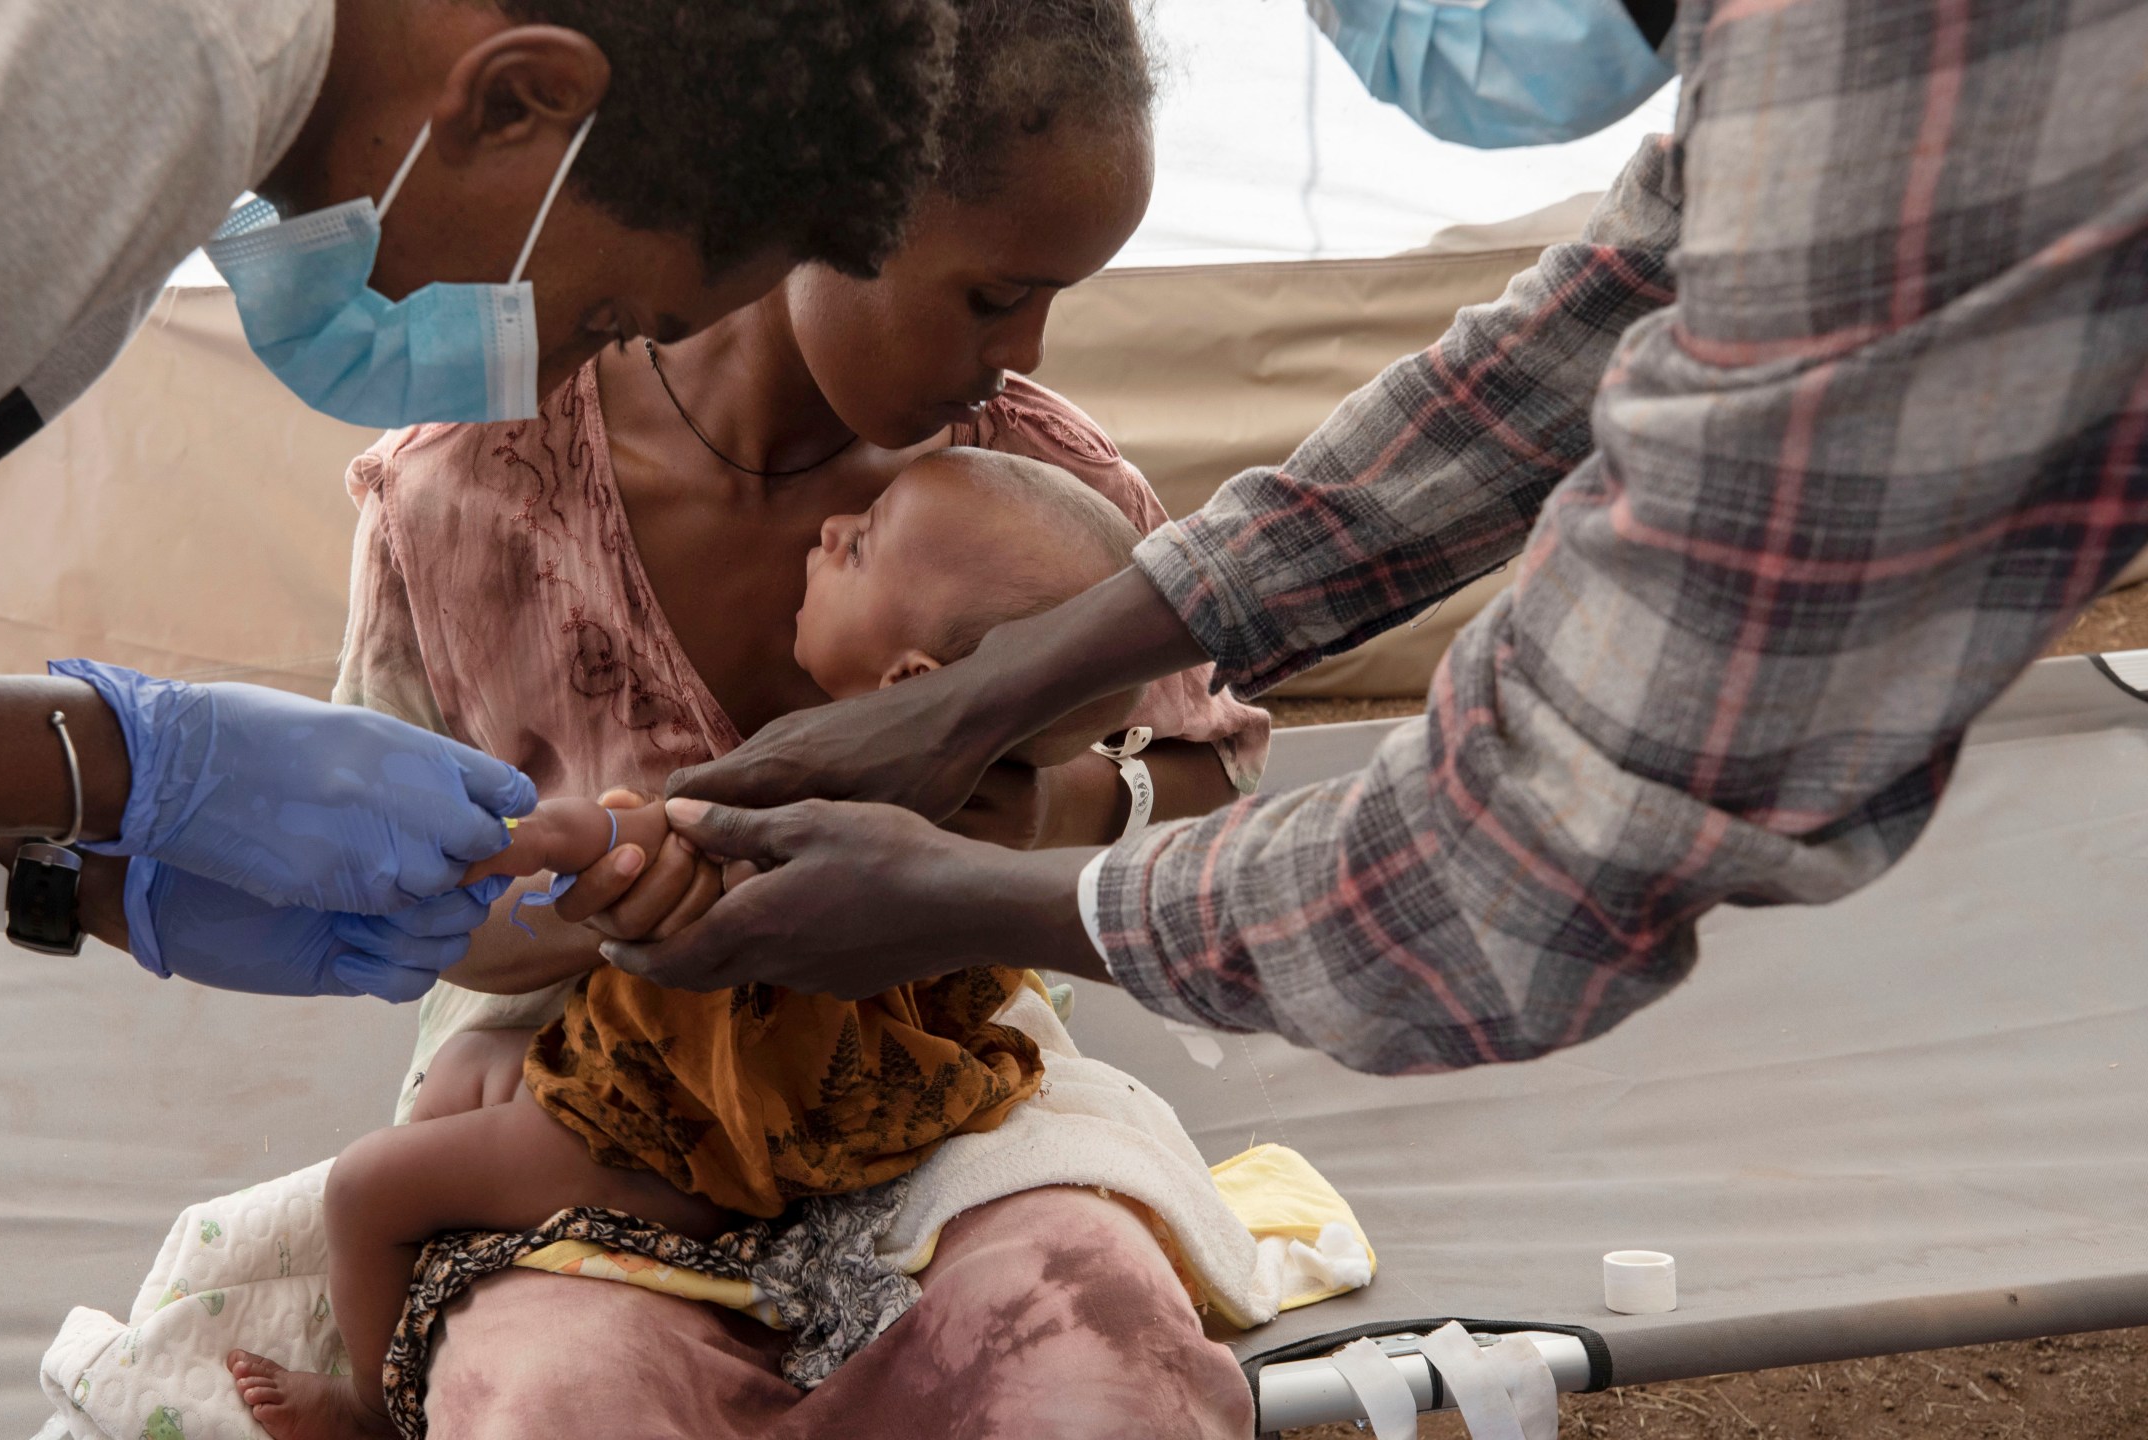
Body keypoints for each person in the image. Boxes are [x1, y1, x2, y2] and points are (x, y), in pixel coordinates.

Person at [623, 0, 2148, 1072]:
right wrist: (988, 695)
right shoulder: (1802, 48)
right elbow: (1573, 347)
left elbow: (1526, 864)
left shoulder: (1935, 63)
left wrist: (970, 894)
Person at [207, 7, 1270, 1432]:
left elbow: (1207, 786)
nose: (1021, 355)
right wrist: (600, 922)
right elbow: (400, 898)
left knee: (1090, 1360)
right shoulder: (471, 497)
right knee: (555, 1398)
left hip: (919, 1082)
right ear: (836, 211)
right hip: (578, 1076)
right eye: (993, 293)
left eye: (1055, 299)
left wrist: (1025, 811)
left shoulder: (1033, 495)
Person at [0, 0, 953, 999]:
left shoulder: (191, 84)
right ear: (513, 98)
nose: (538, 388)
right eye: (597, 315)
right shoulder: (127, 62)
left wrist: (92, 880)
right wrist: (136, 762)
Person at [227, 450, 1165, 1440]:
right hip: (745, 1077)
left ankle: (374, 1411)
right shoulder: (966, 810)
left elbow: (679, 840)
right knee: (467, 1061)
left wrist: (569, 838)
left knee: (369, 1189)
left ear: (913, 679)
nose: (834, 526)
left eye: (866, 541)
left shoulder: (846, 784)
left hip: (702, 1125)